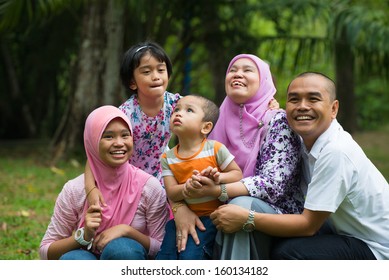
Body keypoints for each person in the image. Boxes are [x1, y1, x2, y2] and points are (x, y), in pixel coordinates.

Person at [211, 72, 389, 260]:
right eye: (294, 100)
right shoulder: (305, 139)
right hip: (343, 229)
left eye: (313, 99)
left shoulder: (336, 151)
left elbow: (308, 226)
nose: (302, 107)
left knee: (288, 253)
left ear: (334, 108)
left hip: (377, 248)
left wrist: (247, 219)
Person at [173, 54, 305, 259]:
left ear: (264, 81)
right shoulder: (214, 121)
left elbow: (273, 184)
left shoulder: (278, 121)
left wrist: (218, 190)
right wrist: (179, 206)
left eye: (247, 70)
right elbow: (179, 168)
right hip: (216, 207)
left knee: (239, 205)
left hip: (276, 212)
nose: (238, 74)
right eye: (233, 70)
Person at [39, 105, 169, 260]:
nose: (119, 143)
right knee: (73, 261)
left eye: (125, 135)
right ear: (92, 141)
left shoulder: (149, 187)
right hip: (84, 256)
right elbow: (46, 252)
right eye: (108, 136)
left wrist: (127, 231)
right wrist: (83, 236)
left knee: (122, 250)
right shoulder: (74, 190)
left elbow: (163, 248)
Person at [84, 41, 181, 207]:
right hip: (130, 175)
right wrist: (90, 189)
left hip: (165, 172)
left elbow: (199, 127)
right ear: (132, 83)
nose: (156, 76)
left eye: (161, 70)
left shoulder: (177, 105)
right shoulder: (125, 114)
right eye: (146, 71)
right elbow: (95, 154)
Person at [155, 95, 243, 260]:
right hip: (180, 217)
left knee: (191, 257)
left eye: (189, 110)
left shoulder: (215, 149)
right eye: (177, 110)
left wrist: (218, 177)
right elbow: (172, 193)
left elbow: (237, 174)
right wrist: (188, 187)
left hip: (210, 219)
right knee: (164, 257)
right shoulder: (167, 158)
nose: (179, 114)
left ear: (205, 127)